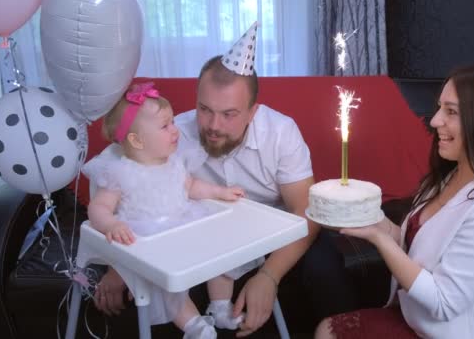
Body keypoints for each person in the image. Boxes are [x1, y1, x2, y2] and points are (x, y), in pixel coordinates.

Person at [94, 22, 358, 337]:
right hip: (206, 236)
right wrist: (117, 265)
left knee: (325, 266)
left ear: (253, 111)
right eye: (205, 109)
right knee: (159, 289)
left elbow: (305, 211)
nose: (213, 125)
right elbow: (128, 186)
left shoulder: (280, 132)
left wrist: (269, 276)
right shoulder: (173, 133)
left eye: (229, 114)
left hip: (271, 233)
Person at [315, 63, 474, 338]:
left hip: (453, 332)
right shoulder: (447, 178)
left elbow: (443, 302)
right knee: (326, 329)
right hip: (414, 318)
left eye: (451, 112)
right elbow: (419, 243)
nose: (434, 120)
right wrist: (377, 223)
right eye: (439, 108)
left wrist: (381, 241)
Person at [84, 82, 249, 338]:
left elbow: (192, 186)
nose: (175, 131)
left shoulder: (174, 163)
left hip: (184, 222)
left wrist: (219, 192)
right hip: (151, 238)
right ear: (137, 140)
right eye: (165, 126)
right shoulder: (121, 172)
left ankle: (220, 307)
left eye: (172, 122)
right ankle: (194, 325)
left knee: (219, 249)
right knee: (167, 285)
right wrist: (111, 224)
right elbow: (99, 207)